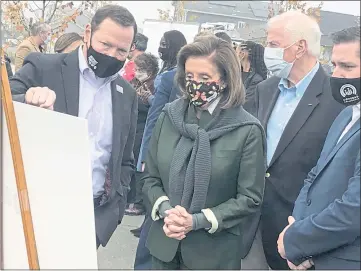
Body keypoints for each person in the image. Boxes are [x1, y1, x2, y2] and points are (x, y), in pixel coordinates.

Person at [10, 5, 138, 249]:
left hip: (91, 220)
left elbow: (124, 160)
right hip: (35, 212)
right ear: (88, 33)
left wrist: (111, 215)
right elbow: (7, 100)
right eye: (105, 45)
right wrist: (27, 97)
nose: (112, 55)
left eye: (122, 50)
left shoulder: (126, 94)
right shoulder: (44, 67)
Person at [142, 35, 266, 270]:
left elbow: (249, 198)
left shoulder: (247, 130)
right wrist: (168, 212)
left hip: (213, 256)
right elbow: (150, 177)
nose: (195, 84)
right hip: (165, 247)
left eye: (205, 77)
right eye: (190, 76)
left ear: (226, 78)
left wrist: (196, 221)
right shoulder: (169, 116)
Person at [244, 11, 345, 270]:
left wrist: (314, 237)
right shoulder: (266, 90)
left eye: (274, 45)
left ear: (300, 47)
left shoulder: (337, 100)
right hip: (252, 224)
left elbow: (338, 178)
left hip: (297, 231)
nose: (268, 51)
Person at [278, 26, 360, 270]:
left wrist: (297, 240)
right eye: (334, 65)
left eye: (347, 66)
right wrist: (297, 226)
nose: (336, 74)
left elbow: (354, 210)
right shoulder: (346, 115)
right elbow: (316, 175)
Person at [133, 30, 187, 270]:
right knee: (154, 220)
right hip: (165, 161)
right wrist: (145, 156)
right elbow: (153, 120)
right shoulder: (169, 78)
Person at [125, 53, 159, 217]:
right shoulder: (135, 83)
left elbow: (157, 107)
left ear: (151, 70)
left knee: (139, 165)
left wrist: (148, 98)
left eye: (141, 69)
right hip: (134, 126)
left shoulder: (153, 86)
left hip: (143, 128)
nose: (138, 72)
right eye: (136, 69)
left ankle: (137, 201)